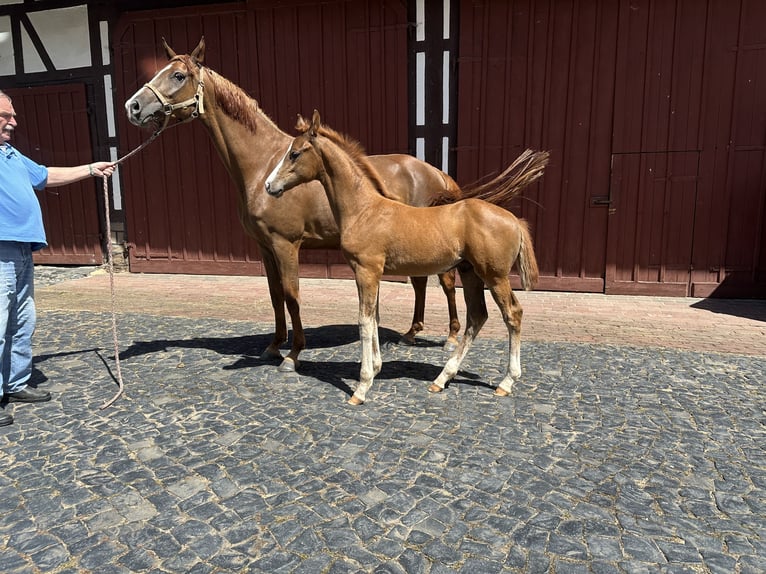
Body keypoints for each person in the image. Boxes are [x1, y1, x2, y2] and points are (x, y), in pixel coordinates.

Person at [0, 90, 115, 427]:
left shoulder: (11, 155)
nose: (13, 122)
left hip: (22, 250)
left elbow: (46, 176)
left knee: (23, 320)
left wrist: (92, 168)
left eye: (14, 116)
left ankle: (15, 382)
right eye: (5, 116)